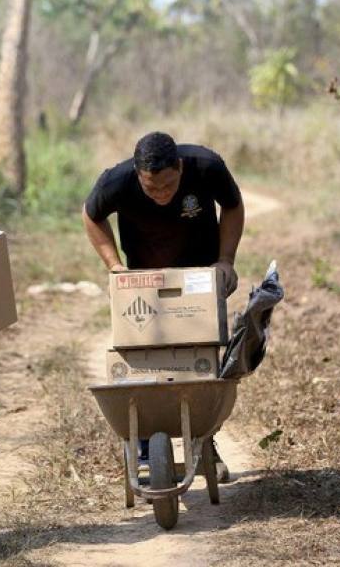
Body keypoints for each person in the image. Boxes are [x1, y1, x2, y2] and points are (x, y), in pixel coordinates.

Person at [82, 131, 245, 482]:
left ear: (180, 168)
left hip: (198, 278)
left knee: (200, 363)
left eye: (169, 187)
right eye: (151, 188)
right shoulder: (117, 181)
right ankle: (143, 449)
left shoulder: (206, 166)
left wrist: (226, 261)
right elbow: (90, 215)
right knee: (145, 361)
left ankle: (203, 444)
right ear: (139, 175)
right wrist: (114, 267)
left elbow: (233, 204)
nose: (161, 196)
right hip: (144, 280)